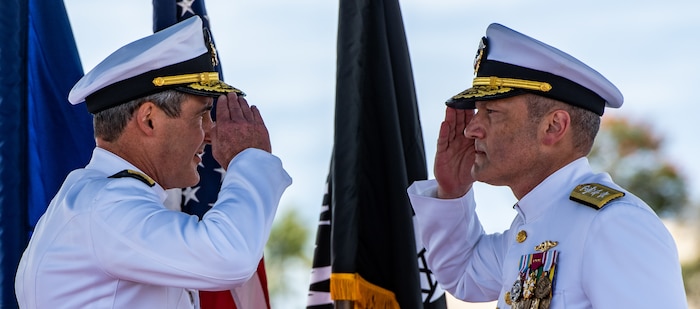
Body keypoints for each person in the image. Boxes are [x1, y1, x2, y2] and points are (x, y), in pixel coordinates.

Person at [14, 16, 292, 308]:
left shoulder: (94, 199)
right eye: (200, 115)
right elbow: (229, 256)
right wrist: (250, 159)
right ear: (149, 119)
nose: (211, 134)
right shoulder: (106, 206)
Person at [408, 23, 687, 308]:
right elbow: (463, 274)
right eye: (478, 112)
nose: (472, 130)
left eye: (491, 112)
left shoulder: (614, 224)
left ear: (553, 126)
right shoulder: (535, 223)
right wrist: (452, 191)